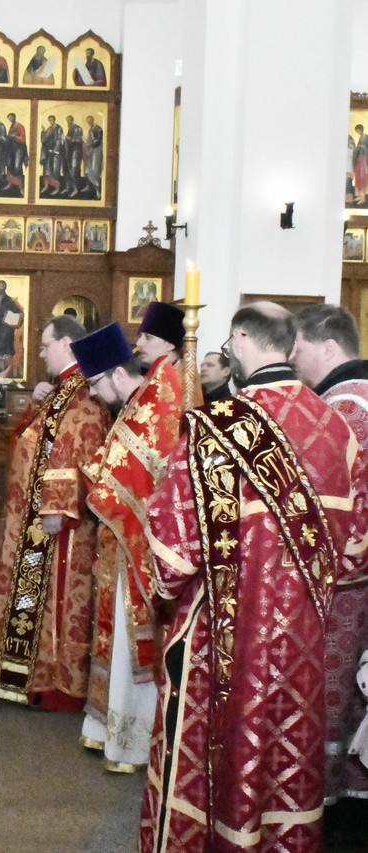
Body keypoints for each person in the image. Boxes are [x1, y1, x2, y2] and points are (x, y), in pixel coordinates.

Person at [139, 302, 368, 852]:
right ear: (289, 345)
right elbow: (357, 551)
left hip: (222, 637)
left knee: (215, 748)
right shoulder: (337, 428)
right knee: (287, 750)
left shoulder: (214, 427)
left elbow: (173, 558)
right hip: (302, 638)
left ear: (241, 339)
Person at [71, 323, 182, 770]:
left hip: (139, 550)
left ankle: (133, 743)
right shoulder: (136, 404)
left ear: (118, 374)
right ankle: (108, 728)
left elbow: (138, 484)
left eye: (95, 383)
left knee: (130, 641)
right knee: (113, 637)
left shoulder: (150, 410)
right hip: (118, 548)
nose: (93, 394)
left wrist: (97, 484)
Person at [0, 316, 110, 710]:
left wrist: (56, 505)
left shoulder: (84, 393)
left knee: (56, 600)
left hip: (55, 521)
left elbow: (79, 445)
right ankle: (27, 676)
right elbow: (33, 438)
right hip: (32, 515)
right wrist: (36, 403)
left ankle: (53, 684)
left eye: (45, 346)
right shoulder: (62, 389)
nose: (40, 354)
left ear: (67, 344)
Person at [291, 303, 368, 815]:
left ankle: (322, 799)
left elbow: (329, 504)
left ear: (330, 347)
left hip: (342, 579)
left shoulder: (342, 410)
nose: (293, 359)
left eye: (298, 348)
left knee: (330, 691)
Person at [136, 300, 203, 407]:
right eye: (140, 336)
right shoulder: (150, 371)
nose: (139, 343)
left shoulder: (185, 378)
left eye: (148, 337)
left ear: (170, 345)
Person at [40, 115, 64, 196]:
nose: (51, 121)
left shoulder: (58, 128)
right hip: (47, 152)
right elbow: (43, 140)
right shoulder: (49, 128)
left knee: (54, 170)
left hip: (54, 153)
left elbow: (60, 140)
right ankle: (46, 186)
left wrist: (55, 150)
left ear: (54, 119)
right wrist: (43, 131)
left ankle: (57, 188)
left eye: (52, 120)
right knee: (46, 170)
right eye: (49, 120)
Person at [6, 112, 29, 195]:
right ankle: (10, 183)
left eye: (11, 118)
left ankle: (20, 186)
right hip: (12, 149)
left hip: (19, 149)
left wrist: (14, 137)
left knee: (17, 166)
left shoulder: (20, 126)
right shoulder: (12, 126)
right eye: (9, 119)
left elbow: (23, 139)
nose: (10, 120)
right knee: (10, 165)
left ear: (14, 117)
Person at [83, 115, 104, 198]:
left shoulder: (98, 129)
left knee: (95, 169)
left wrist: (90, 144)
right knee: (88, 169)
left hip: (96, 151)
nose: (89, 123)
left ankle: (97, 190)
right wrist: (86, 144)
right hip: (91, 151)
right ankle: (88, 187)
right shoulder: (90, 129)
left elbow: (98, 140)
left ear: (93, 120)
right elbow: (88, 139)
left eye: (90, 121)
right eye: (87, 122)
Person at [64, 115, 84, 196]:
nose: (68, 123)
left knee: (75, 169)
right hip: (70, 152)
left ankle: (76, 189)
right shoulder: (70, 129)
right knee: (68, 169)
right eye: (67, 121)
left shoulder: (78, 128)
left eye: (69, 121)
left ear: (72, 120)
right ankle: (70, 187)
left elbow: (79, 140)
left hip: (77, 152)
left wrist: (69, 139)